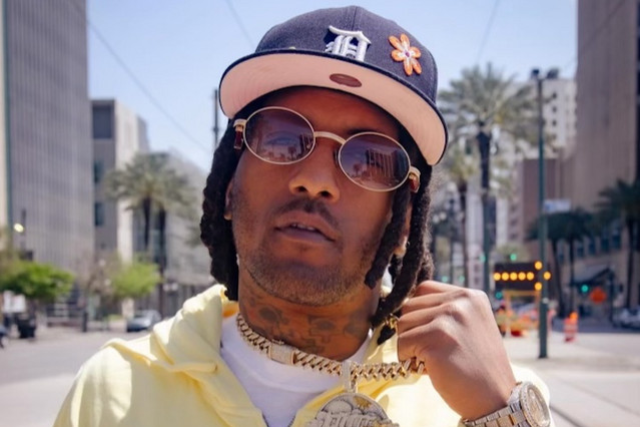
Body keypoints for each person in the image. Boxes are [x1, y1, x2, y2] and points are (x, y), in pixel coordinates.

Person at [55, 6, 553, 427]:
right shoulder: (114, 389)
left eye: (368, 159)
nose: (315, 179)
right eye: (281, 138)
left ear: (403, 223)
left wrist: (500, 416)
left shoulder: (486, 397)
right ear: (228, 187)